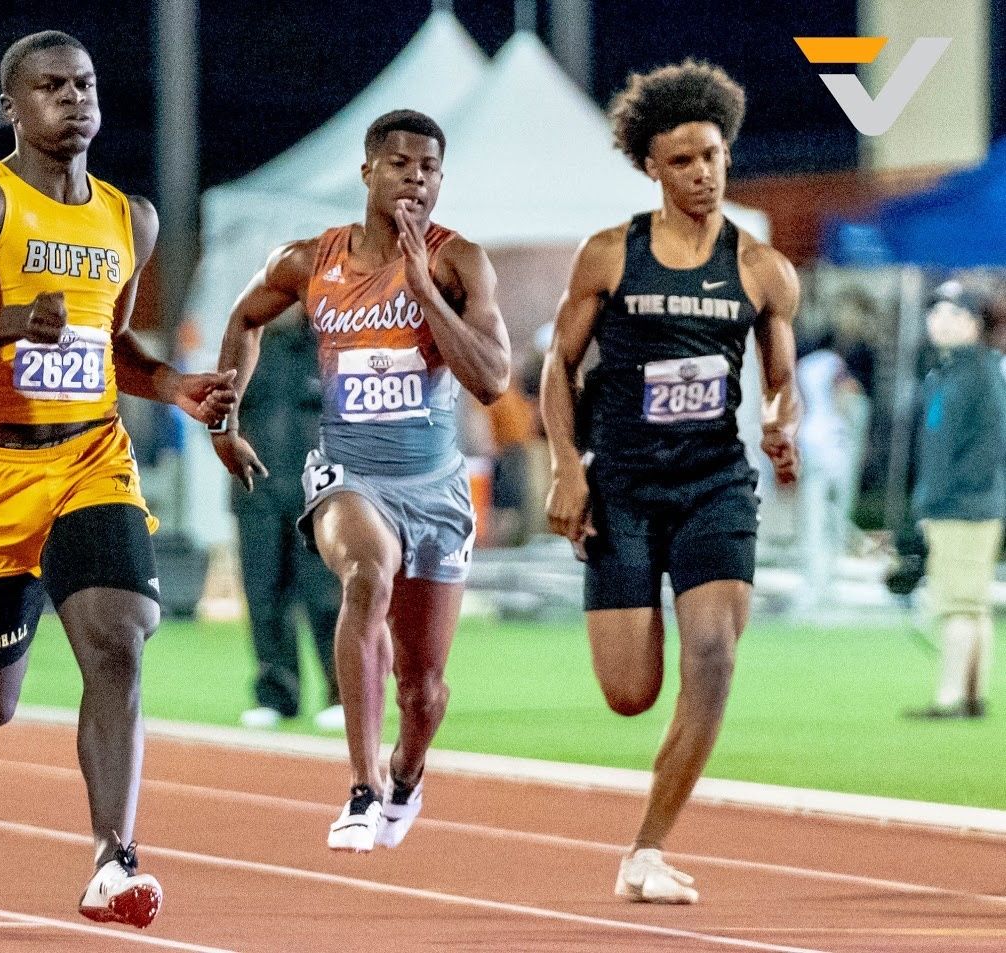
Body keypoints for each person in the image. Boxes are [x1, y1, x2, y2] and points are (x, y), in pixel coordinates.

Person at [0, 31, 235, 928]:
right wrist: (16, 318)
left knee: (120, 639)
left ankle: (113, 858)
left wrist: (172, 384)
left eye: (86, 84)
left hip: (91, 455)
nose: (75, 99)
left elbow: (111, 345)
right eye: (52, 87)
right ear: (14, 106)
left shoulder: (129, 218)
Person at [212, 110, 510, 851]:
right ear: (368, 171)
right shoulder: (311, 260)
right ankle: (360, 784)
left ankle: (406, 769)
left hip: (435, 488)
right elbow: (245, 319)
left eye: (430, 167)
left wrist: (424, 290)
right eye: (402, 163)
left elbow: (493, 379)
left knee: (424, 689)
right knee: (366, 577)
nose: (416, 177)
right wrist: (225, 418)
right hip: (350, 471)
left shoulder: (459, 262)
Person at [540, 60, 800, 904]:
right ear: (652, 165)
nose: (703, 172)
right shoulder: (610, 253)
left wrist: (781, 420)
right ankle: (646, 829)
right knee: (629, 693)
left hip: (714, 484)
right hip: (621, 486)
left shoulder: (761, 268)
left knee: (715, 658)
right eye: (683, 159)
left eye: (714, 155)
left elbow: (781, 374)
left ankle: (645, 850)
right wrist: (563, 466)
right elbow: (558, 364)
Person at [231, 310, 344, 732]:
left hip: (317, 492)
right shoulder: (248, 347)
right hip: (256, 493)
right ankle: (276, 694)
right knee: (263, 596)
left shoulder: (331, 348)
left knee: (326, 596)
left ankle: (340, 692)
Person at [904, 282, 1004, 719]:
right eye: (936, 312)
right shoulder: (950, 371)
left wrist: (939, 501)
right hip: (965, 505)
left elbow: (986, 447)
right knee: (973, 603)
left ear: (974, 323)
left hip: (964, 508)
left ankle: (951, 698)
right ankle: (971, 695)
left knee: (959, 605)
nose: (940, 321)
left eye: (953, 313)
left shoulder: (979, 373)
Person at [794, 329, 868, 611]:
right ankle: (825, 580)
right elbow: (847, 395)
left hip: (809, 444)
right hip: (833, 448)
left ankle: (813, 581)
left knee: (812, 519)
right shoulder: (834, 364)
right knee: (833, 518)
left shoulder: (802, 366)